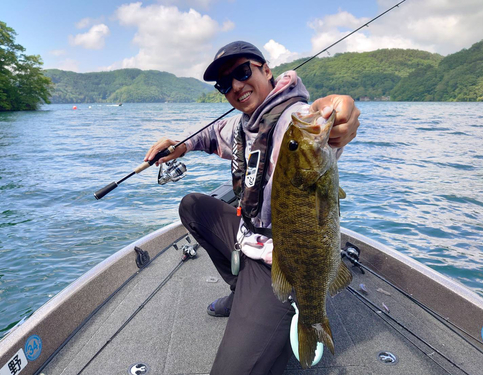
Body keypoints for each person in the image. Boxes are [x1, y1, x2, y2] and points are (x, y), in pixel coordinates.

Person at [145, 41, 360, 375]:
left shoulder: (295, 119)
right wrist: (180, 144)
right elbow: (210, 133)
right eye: (224, 84)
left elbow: (322, 115)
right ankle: (239, 289)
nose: (235, 86)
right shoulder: (245, 124)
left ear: (266, 70)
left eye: (243, 72)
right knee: (192, 206)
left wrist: (338, 109)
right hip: (248, 236)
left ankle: (293, 308)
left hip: (283, 258)